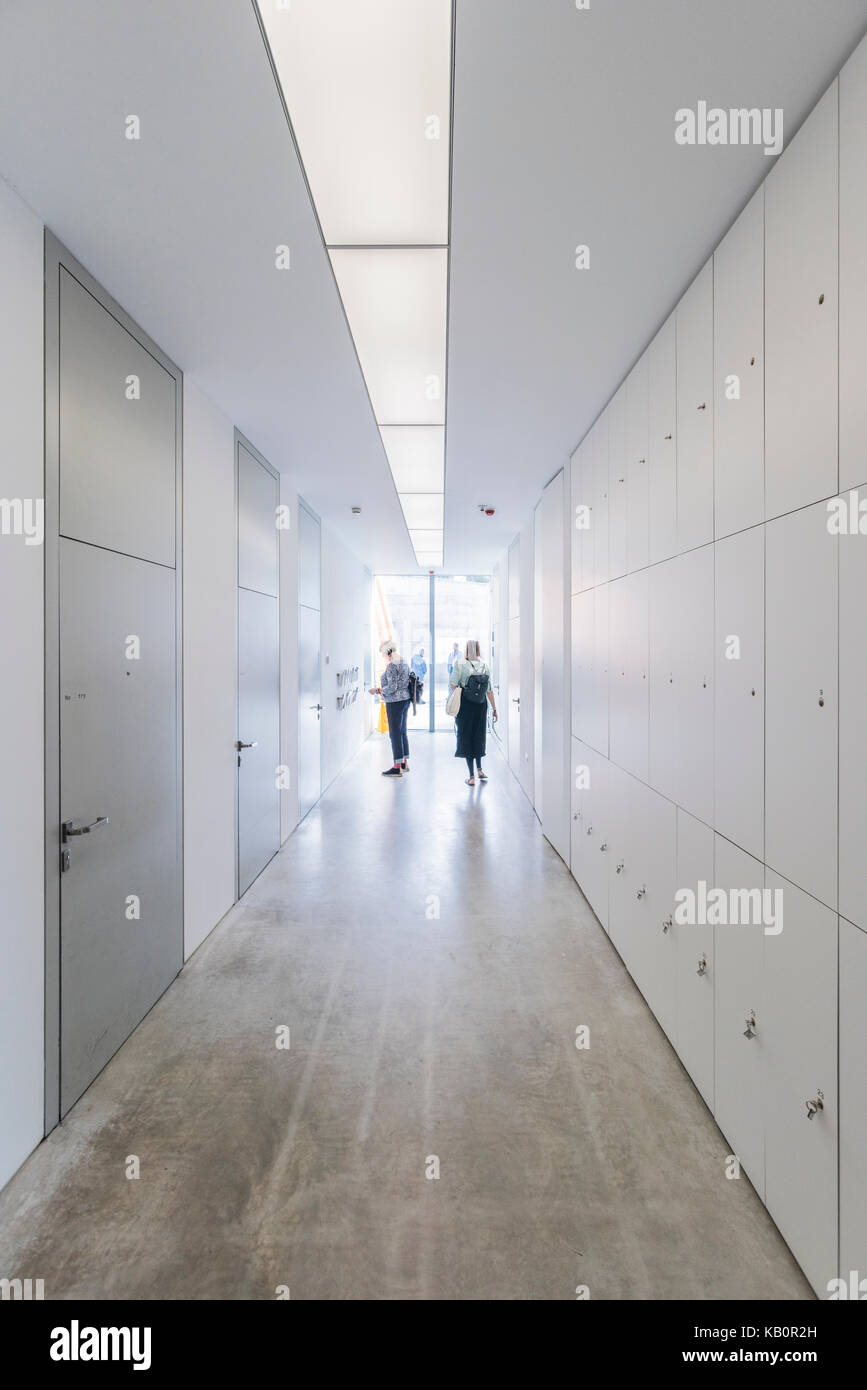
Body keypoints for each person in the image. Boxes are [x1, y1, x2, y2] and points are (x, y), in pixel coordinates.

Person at [449, 639, 497, 785]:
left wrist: (462, 692)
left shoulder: (460, 664)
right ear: (478, 649)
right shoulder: (484, 665)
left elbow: (452, 684)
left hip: (466, 707)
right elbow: (489, 691)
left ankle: (471, 777)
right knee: (478, 737)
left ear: (466, 649)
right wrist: (495, 709)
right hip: (481, 706)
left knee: (466, 737)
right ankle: (480, 770)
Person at [369, 639, 411, 777]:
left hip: (394, 702)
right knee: (402, 731)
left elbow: (392, 687)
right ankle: (404, 762)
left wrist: (378, 690)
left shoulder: (393, 665)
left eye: (383, 654)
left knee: (394, 733)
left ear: (388, 651)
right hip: (405, 700)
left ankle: (396, 767)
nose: (383, 657)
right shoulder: (404, 661)